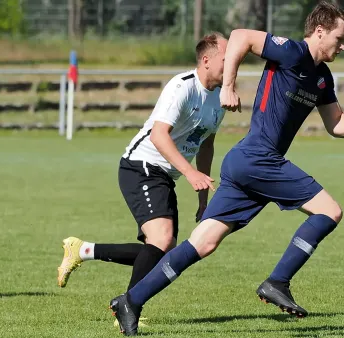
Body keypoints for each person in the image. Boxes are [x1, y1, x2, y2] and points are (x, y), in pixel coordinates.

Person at [110, 2, 344, 335]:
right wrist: (228, 84)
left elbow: (336, 123)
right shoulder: (291, 51)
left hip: (247, 164)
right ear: (320, 31)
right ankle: (277, 282)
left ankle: (131, 300)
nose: (342, 46)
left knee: (203, 243)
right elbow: (240, 35)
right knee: (330, 211)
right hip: (258, 158)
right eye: (339, 38)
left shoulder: (322, 77)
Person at [56, 32, 228, 324]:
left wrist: (203, 197)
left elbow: (206, 144)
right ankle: (128, 307)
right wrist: (189, 173)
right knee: (162, 241)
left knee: (161, 250)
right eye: (227, 58)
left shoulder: (221, 98)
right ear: (207, 60)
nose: (233, 63)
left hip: (164, 174)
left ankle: (83, 250)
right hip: (141, 166)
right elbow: (159, 135)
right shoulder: (182, 87)